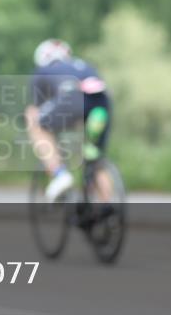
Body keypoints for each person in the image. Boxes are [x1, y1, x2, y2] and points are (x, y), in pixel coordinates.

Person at [25, 39, 113, 202]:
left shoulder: (42, 71)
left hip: (72, 99)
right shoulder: (84, 65)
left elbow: (38, 110)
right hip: (102, 102)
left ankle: (60, 174)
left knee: (34, 122)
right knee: (95, 158)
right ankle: (108, 209)